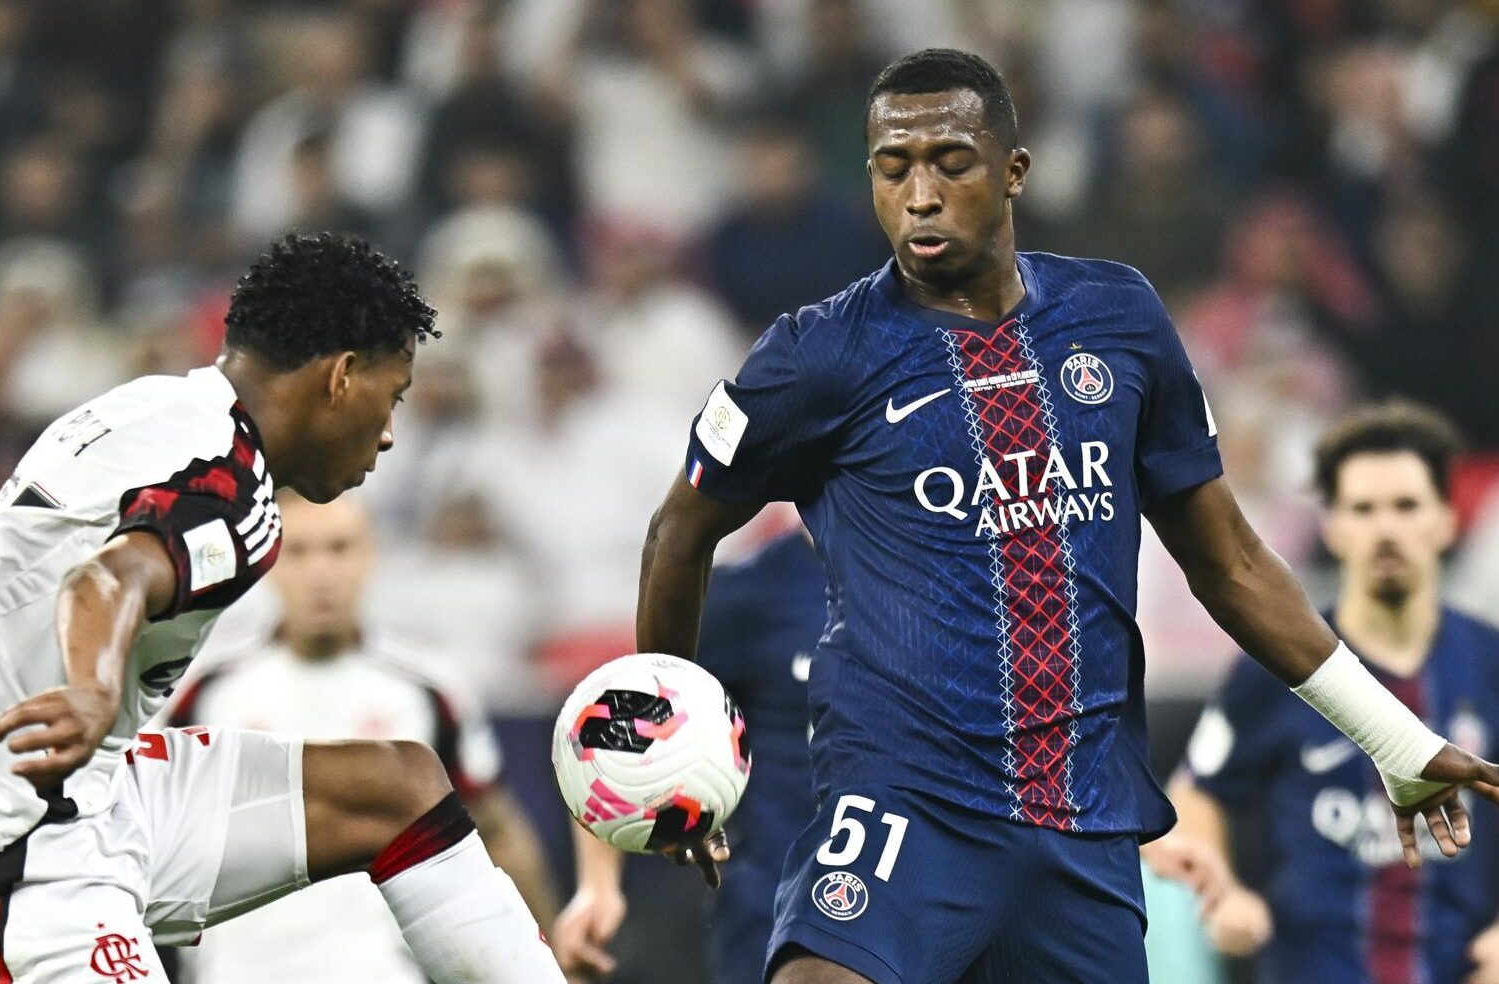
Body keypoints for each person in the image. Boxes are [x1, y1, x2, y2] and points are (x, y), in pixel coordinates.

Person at [557, 49, 1499, 984]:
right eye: (893, 169)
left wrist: (1394, 740)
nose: (919, 196)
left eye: (950, 163)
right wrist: (669, 737)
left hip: (1082, 819)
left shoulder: (1117, 317)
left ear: (1013, 171)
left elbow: (1232, 563)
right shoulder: (816, 356)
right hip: (907, 799)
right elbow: (678, 531)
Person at [0, 232, 565, 983]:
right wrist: (95, 687)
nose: (388, 433)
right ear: (341, 376)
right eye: (391, 397)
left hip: (97, 787)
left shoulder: (158, 404)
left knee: (397, 789)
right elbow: (110, 578)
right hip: (14, 846)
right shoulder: (234, 491)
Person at [167, 490, 557, 983]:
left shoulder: (427, 688)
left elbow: (495, 832)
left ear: (371, 555)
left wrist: (555, 958)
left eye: (339, 548)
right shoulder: (204, 691)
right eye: (299, 552)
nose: (321, 572)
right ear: (269, 564)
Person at [1169, 402, 1499, 983]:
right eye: (1364, 509)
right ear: (1333, 528)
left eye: (1406, 506)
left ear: (1447, 521)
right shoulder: (1277, 662)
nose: (1386, 529)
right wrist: (1222, 893)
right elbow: (1196, 791)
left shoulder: (1488, 659)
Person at [553, 507, 823, 984]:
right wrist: (598, 886)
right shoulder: (748, 595)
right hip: (780, 917)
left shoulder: (945, 582)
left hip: (919, 902)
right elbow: (616, 721)